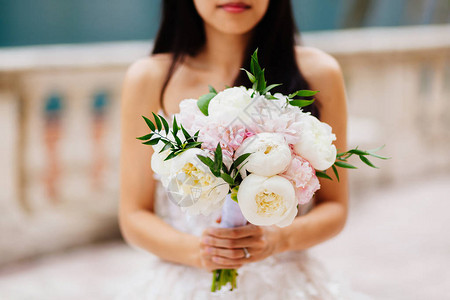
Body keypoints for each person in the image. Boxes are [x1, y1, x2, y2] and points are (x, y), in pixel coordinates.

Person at [118, 0, 366, 299]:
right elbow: (133, 215)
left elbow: (335, 207)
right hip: (186, 283)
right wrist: (202, 251)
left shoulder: (318, 72)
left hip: (284, 284)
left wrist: (278, 239)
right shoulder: (150, 78)